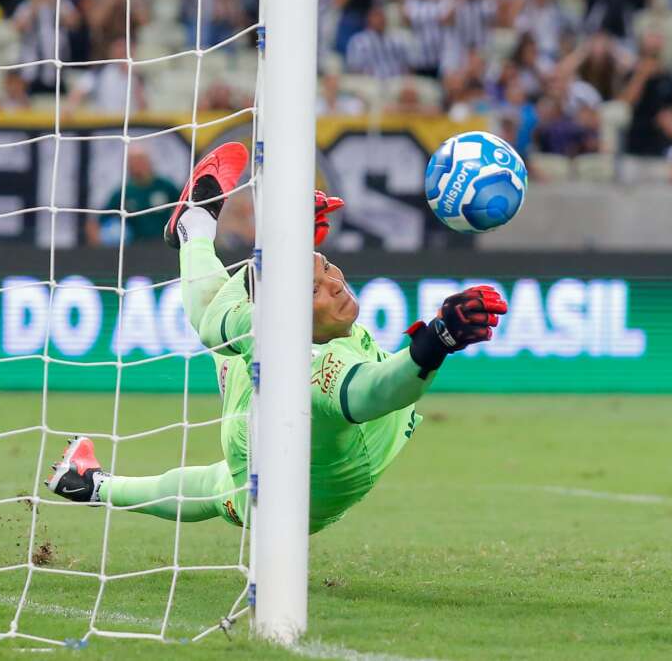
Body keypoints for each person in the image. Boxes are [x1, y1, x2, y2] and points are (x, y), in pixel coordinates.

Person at [49, 143, 509, 534]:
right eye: (314, 287)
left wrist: (289, 244)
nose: (335, 283)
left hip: (262, 386)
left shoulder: (258, 327)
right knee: (218, 489)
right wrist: (436, 341)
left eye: (327, 267)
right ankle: (95, 485)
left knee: (218, 324)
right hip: (293, 492)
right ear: (287, 309)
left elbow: (214, 322)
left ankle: (194, 229)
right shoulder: (317, 372)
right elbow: (377, 390)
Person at [86, 145, 179, 246]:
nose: (137, 165)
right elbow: (97, 222)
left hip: (164, 246)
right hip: (135, 249)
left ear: (149, 162)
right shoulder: (124, 192)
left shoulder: (165, 186)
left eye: (140, 160)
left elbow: (183, 205)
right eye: (133, 161)